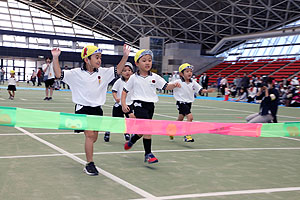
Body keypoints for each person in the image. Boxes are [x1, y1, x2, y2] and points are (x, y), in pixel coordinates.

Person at [52, 44, 131, 176]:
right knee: (89, 135)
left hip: (97, 110)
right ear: (86, 59)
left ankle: (89, 157)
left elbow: (118, 70)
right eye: (96, 57)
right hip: (82, 109)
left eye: (100, 57)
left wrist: (125, 56)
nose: (99, 60)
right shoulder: (76, 73)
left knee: (93, 138)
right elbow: (59, 74)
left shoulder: (103, 72)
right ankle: (90, 164)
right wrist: (55, 58)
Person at [121, 49, 180, 164]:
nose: (147, 63)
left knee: (143, 130)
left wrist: (174, 85)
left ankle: (132, 140)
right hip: (138, 104)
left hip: (150, 106)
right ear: (137, 63)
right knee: (148, 128)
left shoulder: (155, 77)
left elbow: (165, 86)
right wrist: (123, 104)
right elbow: (124, 91)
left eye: (149, 60)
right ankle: (148, 154)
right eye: (144, 60)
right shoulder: (133, 77)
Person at [170, 63, 214, 142]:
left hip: (189, 103)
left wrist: (207, 91)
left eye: (190, 71)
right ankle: (187, 135)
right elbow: (168, 86)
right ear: (181, 74)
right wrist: (174, 85)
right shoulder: (177, 81)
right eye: (187, 71)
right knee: (190, 117)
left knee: (180, 118)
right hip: (181, 102)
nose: (189, 73)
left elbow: (200, 90)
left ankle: (171, 130)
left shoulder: (193, 82)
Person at [104, 62, 134, 142]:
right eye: (124, 70)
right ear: (121, 72)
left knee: (131, 119)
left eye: (129, 70)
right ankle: (108, 131)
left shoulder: (134, 82)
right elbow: (114, 91)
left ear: (132, 71)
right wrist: (116, 97)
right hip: (119, 105)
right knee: (116, 121)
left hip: (129, 104)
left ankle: (128, 132)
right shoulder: (119, 82)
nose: (127, 72)